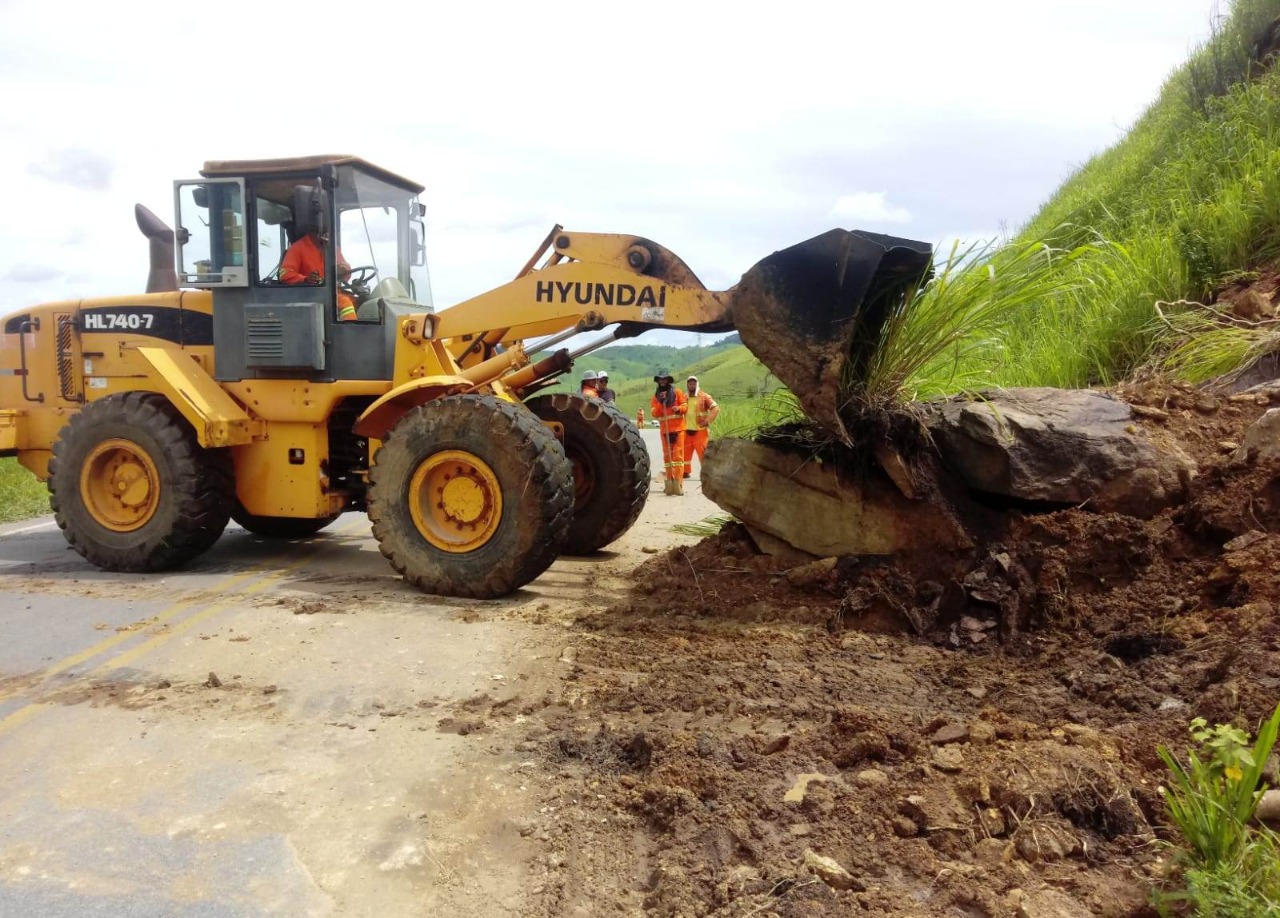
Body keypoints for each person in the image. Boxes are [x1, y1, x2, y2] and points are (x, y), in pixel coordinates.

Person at [279, 231, 358, 321]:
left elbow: (346, 271)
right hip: (310, 294)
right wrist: (305, 279)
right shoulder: (297, 247)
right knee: (345, 304)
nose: (328, 234)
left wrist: (343, 270)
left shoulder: (332, 248)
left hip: (332, 293)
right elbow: (285, 274)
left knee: (362, 302)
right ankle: (350, 329)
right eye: (324, 231)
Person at [649, 368, 687, 495]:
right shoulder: (655, 397)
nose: (662, 381)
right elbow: (654, 413)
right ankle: (669, 482)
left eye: (664, 379)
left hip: (679, 429)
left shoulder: (677, 392)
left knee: (677, 458)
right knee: (668, 459)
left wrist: (679, 408)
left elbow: (685, 406)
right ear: (658, 381)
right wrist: (661, 402)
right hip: (664, 431)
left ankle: (679, 483)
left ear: (668, 380)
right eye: (660, 379)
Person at [683, 375, 720, 480]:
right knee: (685, 454)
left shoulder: (704, 396)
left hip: (700, 431)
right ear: (687, 385)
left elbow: (716, 408)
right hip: (686, 431)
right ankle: (685, 471)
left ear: (697, 384)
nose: (692, 385)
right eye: (690, 383)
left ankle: (707, 473)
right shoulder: (683, 397)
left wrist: (707, 421)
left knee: (703, 454)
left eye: (694, 383)